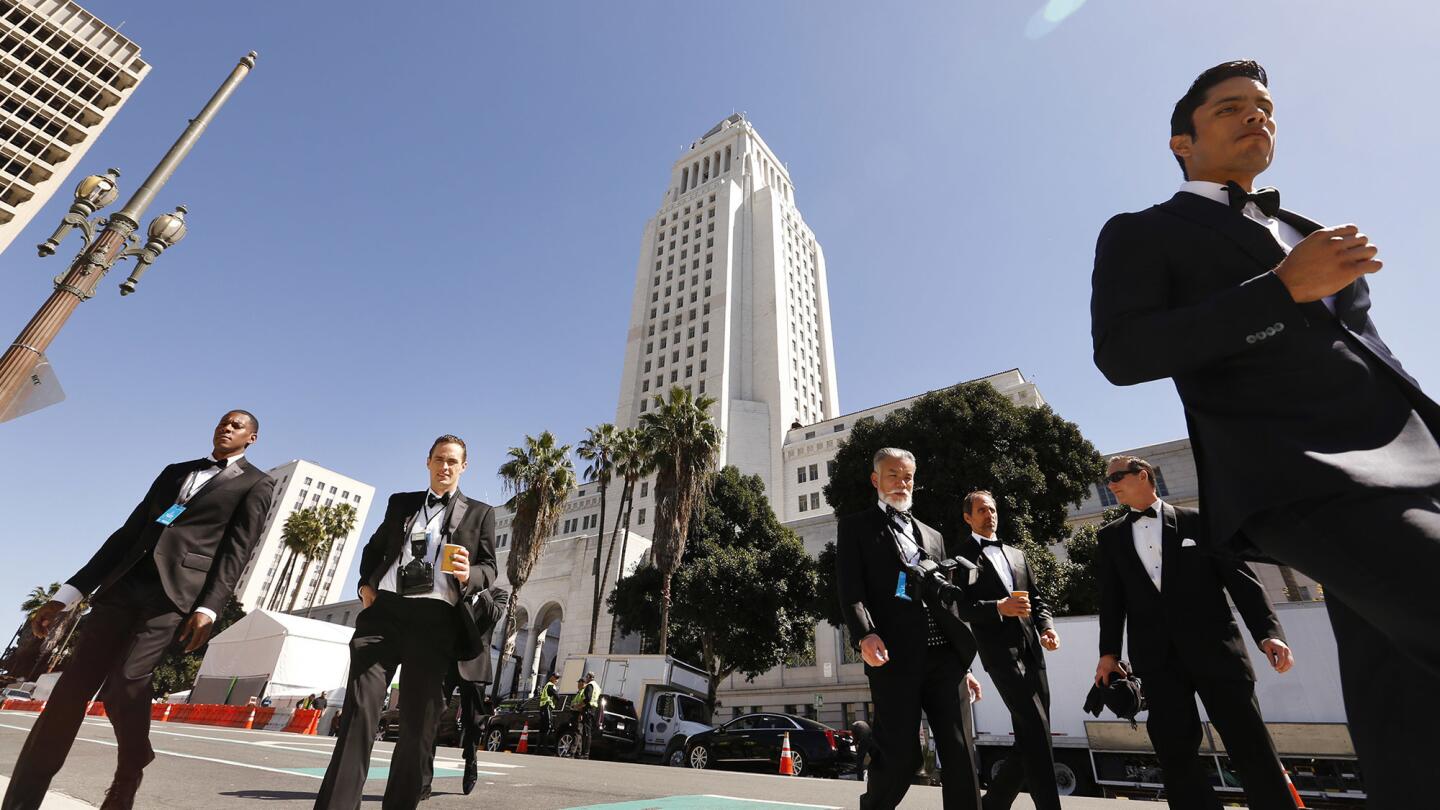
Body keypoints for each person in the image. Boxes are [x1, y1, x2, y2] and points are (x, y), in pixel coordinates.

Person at [1089, 59, 1440, 807]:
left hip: (1417, 463)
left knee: (1405, 714)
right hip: (1304, 478)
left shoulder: (1310, 230)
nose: (1258, 117)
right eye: (1232, 108)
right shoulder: (1143, 233)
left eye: (1266, 107)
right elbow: (1123, 355)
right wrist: (1280, 290)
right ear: (1182, 142)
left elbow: (1376, 358)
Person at [1, 411, 273, 810]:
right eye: (222, 422)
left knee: (128, 681)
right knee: (69, 693)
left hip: (173, 596)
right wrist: (68, 594)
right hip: (122, 586)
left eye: (237, 425)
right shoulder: (174, 471)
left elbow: (237, 552)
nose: (226, 428)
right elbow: (127, 534)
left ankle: (131, 764)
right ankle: (21, 802)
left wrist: (210, 609)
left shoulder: (256, 483)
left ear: (252, 438)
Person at [1095, 455, 1296, 809]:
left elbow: (1243, 583)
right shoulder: (1109, 538)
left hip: (1218, 654)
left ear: (1143, 476)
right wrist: (1108, 654)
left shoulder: (1200, 524)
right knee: (1175, 754)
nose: (1110, 484)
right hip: (1157, 662)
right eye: (1107, 479)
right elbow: (1111, 601)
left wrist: (1268, 634)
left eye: (1116, 477)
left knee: (1250, 746)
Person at [313, 434, 497, 810]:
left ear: (464, 467)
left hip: (436, 623)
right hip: (385, 616)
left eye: (452, 462)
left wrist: (469, 574)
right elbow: (374, 548)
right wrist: (366, 585)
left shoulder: (480, 512)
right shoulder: (401, 503)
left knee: (417, 726)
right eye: (439, 459)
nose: (445, 467)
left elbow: (490, 568)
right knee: (359, 714)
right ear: (428, 462)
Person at [835, 448, 987, 810]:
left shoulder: (932, 536)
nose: (902, 483)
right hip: (894, 658)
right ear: (876, 480)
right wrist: (864, 633)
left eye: (908, 477)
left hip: (945, 658)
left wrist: (963, 667)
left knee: (961, 752)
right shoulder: (855, 527)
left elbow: (947, 602)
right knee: (902, 757)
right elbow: (850, 590)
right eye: (893, 475)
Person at [952, 491, 1061, 810]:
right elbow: (960, 607)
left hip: (1033, 653)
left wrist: (1047, 628)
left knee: (1031, 735)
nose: (990, 514)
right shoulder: (961, 558)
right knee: (1037, 731)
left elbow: (1037, 599)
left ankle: (994, 804)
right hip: (1000, 654)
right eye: (981, 510)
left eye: (993, 509)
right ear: (968, 517)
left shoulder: (1017, 554)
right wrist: (999, 606)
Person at [419, 585, 508, 798]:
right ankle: (423, 781)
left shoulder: (498, 594)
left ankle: (471, 759)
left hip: (475, 663)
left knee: (473, 721)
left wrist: (481, 589)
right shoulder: (457, 590)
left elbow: (494, 614)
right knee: (432, 717)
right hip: (448, 661)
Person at [568, 673, 599, 760]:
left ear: (589, 678)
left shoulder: (589, 686)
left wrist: (578, 707)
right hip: (592, 710)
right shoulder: (596, 686)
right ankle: (581, 752)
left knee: (585, 733)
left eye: (586, 678)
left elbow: (587, 699)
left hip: (587, 710)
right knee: (584, 733)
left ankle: (584, 753)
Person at [537, 672, 560, 750]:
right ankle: (544, 748)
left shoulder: (547, 685)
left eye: (558, 678)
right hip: (547, 707)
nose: (557, 679)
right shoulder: (551, 686)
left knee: (543, 728)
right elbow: (557, 697)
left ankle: (538, 748)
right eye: (556, 677)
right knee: (548, 727)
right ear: (552, 677)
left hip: (542, 708)